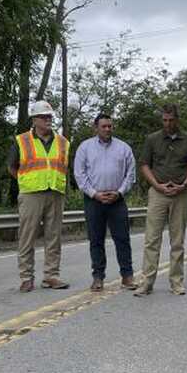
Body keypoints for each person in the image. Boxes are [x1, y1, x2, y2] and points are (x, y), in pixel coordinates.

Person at [134, 104, 187, 297]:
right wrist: (156, 185)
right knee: (152, 239)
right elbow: (144, 165)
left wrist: (185, 184)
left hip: (180, 192)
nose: (168, 124)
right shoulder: (152, 139)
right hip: (158, 192)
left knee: (177, 240)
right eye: (165, 120)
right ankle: (146, 282)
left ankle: (176, 282)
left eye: (171, 120)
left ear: (177, 120)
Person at [8, 100, 70, 292]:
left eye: (49, 117)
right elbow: (12, 166)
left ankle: (51, 276)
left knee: (54, 237)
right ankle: (26, 277)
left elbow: (65, 167)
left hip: (55, 193)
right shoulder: (21, 141)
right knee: (27, 237)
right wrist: (26, 180)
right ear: (34, 120)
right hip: (31, 194)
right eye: (44, 117)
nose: (48, 120)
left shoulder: (63, 142)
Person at [74, 113, 137, 292]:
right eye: (104, 126)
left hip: (117, 200)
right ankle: (98, 277)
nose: (108, 129)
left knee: (122, 239)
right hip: (94, 200)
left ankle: (127, 276)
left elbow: (130, 175)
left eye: (110, 126)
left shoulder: (124, 148)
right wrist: (94, 194)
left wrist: (119, 192)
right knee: (96, 240)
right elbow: (80, 174)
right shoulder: (85, 148)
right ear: (96, 128)